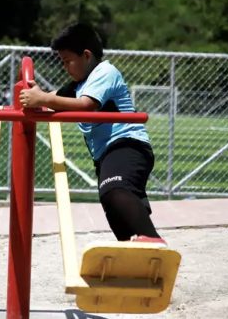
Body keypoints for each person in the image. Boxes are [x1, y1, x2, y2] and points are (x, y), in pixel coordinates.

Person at [19, 23, 166, 246]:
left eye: (68, 61)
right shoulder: (78, 85)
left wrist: (43, 99)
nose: (65, 67)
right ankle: (133, 249)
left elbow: (87, 105)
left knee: (114, 188)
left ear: (86, 55)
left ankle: (153, 240)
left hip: (127, 145)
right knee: (112, 207)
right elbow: (48, 102)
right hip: (106, 154)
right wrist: (34, 98)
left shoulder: (104, 72)